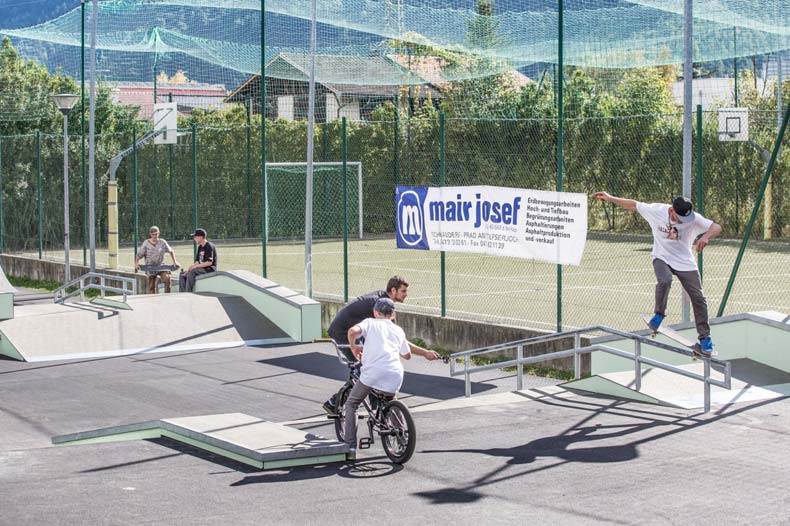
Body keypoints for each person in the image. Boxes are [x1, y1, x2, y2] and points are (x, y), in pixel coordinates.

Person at [593, 192, 722, 355]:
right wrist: (610, 198)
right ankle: (659, 315)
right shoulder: (657, 211)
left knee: (698, 297)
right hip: (661, 257)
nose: (684, 221)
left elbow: (716, 227)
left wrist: (706, 237)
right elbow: (633, 204)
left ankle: (705, 338)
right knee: (665, 280)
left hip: (684, 261)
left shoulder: (694, 218)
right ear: (671, 211)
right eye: (680, 218)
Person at [323, 275, 440, 415]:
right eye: (403, 291)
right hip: (343, 332)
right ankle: (341, 403)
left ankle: (365, 407)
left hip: (354, 331)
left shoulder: (383, 304)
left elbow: (397, 339)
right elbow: (399, 342)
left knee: (370, 368)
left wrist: (425, 352)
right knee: (367, 369)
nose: (406, 294)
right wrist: (425, 353)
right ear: (393, 290)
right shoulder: (382, 306)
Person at [343, 297, 411, 456]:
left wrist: (353, 347)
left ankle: (350, 447)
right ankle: (403, 440)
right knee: (390, 400)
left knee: (352, 403)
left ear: (375, 312)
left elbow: (352, 332)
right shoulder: (398, 330)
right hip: (395, 373)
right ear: (393, 314)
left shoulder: (369, 323)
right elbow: (407, 355)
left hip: (373, 373)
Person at [135, 226, 179, 294]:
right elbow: (139, 255)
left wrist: (175, 261)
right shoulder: (146, 243)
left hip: (160, 266)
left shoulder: (162, 242)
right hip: (150, 267)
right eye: (153, 234)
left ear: (159, 233)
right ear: (150, 234)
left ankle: (167, 296)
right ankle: (152, 299)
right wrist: (136, 263)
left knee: (167, 279)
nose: (154, 236)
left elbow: (171, 251)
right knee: (151, 286)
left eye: (156, 234)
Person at [179, 228, 217, 292]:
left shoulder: (209, 246)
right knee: (182, 274)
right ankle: (182, 293)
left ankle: (187, 293)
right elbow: (197, 261)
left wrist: (195, 267)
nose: (194, 238)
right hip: (201, 269)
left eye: (195, 236)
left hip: (209, 269)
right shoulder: (200, 247)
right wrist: (189, 269)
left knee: (192, 272)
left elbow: (209, 262)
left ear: (201, 237)